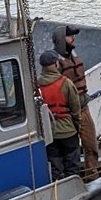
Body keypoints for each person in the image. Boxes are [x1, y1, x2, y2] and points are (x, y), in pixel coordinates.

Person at [57, 26, 100, 178]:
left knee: (91, 145)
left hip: (84, 108)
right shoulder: (57, 62)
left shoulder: (74, 56)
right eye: (70, 36)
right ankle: (70, 180)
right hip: (68, 114)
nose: (73, 38)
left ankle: (92, 177)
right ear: (62, 40)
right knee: (71, 152)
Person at [36, 49, 83, 178]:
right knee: (72, 165)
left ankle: (56, 190)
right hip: (68, 132)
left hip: (49, 134)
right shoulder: (66, 83)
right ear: (56, 64)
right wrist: (78, 127)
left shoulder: (36, 86)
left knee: (54, 168)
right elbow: (76, 109)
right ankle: (73, 189)